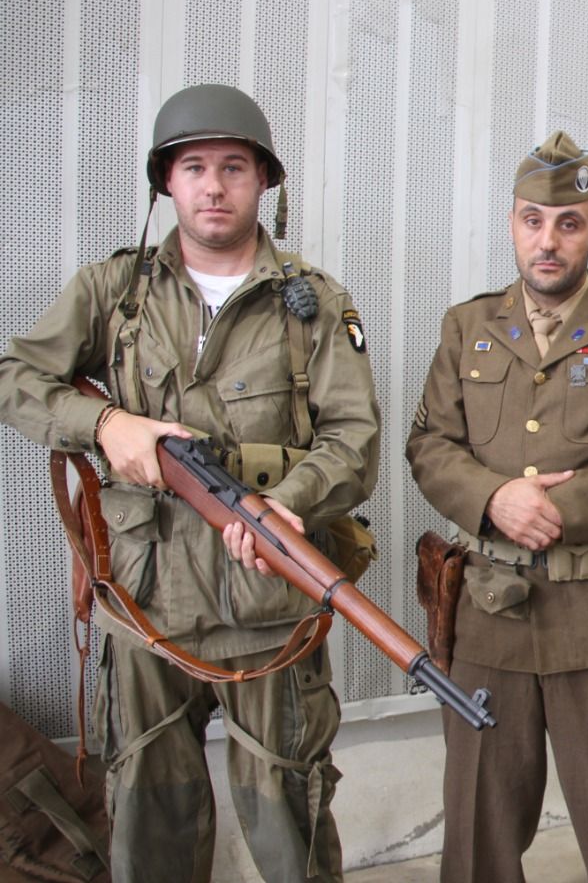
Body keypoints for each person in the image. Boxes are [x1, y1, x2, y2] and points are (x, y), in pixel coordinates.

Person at [0, 84, 381, 882]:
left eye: (234, 167)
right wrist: (106, 426)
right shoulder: (113, 293)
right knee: (149, 819)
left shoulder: (313, 304)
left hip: (269, 608)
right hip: (144, 604)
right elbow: (16, 378)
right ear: (165, 183)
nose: (213, 186)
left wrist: (291, 502)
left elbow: (355, 439)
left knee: (290, 820)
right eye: (195, 166)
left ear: (265, 184)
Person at [405, 130, 588, 883]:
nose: (548, 240)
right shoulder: (466, 328)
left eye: (568, 224)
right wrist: (494, 497)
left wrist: (566, 510)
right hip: (488, 620)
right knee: (478, 836)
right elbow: (431, 444)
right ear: (511, 223)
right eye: (533, 220)